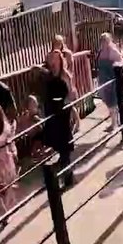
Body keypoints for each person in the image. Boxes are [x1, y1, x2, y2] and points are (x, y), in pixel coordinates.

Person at [41, 51, 75, 187]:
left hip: (63, 113)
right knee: (58, 147)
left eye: (55, 59)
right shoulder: (48, 77)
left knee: (65, 147)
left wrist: (68, 107)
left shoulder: (64, 75)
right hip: (52, 113)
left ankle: (68, 177)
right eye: (51, 60)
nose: (53, 63)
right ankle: (63, 174)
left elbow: (71, 94)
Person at [93, 33, 123, 130]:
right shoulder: (101, 50)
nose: (103, 42)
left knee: (112, 101)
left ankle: (114, 123)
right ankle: (114, 121)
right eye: (102, 40)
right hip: (103, 78)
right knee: (107, 100)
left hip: (110, 78)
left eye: (105, 40)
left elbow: (122, 61)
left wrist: (116, 65)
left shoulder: (112, 50)